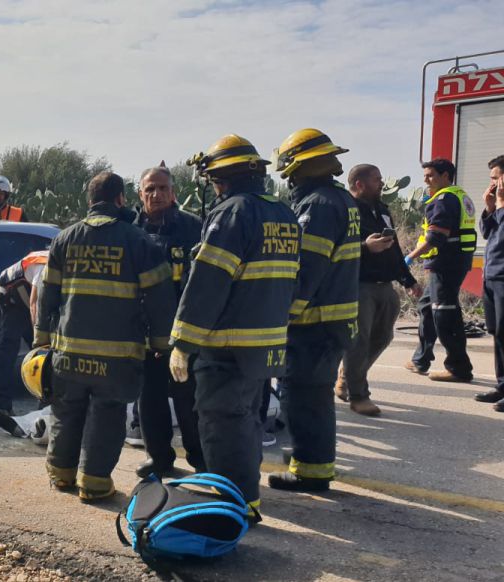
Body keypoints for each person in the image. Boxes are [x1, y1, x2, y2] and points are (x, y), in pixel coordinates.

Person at [170, 135, 298, 519]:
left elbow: (208, 281)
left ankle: (234, 505)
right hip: (266, 342)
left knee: (222, 423)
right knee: (247, 419)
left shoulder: (233, 213)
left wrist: (183, 342)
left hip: (228, 345)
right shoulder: (284, 213)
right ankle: (247, 497)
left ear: (219, 180)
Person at [34, 171, 176, 502]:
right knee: (107, 416)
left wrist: (42, 340)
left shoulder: (65, 239)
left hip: (68, 352)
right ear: (121, 200)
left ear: (90, 201)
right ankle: (95, 484)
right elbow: (159, 299)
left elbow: (46, 293)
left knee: (66, 411)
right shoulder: (139, 241)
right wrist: (160, 343)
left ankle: (61, 474)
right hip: (116, 356)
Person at [266, 129, 360, 493]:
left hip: (314, 323)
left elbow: (305, 269)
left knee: (303, 396)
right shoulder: (340, 200)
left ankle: (311, 471)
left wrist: (284, 314)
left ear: (298, 165)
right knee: (315, 395)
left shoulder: (317, 205)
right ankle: (315, 465)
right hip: (333, 320)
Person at [133, 164, 205, 478]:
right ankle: (159, 459)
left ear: (174, 193)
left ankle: (201, 459)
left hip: (183, 333)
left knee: (190, 400)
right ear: (140, 194)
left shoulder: (193, 227)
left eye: (163, 188)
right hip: (144, 332)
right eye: (150, 189)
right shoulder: (130, 231)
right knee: (150, 401)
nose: (157, 195)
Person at [336, 164, 422, 417]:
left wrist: (408, 280)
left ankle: (347, 377)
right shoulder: (345, 209)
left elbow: (394, 249)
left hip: (385, 286)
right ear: (360, 184)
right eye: (376, 180)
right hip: (359, 286)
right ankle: (359, 395)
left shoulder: (382, 210)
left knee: (383, 337)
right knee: (358, 342)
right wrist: (365, 247)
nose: (382, 183)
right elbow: (338, 246)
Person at [404, 158, 476, 382]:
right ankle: (420, 359)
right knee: (427, 307)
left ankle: (458, 367)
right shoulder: (458, 195)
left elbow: (436, 237)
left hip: (446, 263)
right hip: (453, 261)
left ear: (446, 176)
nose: (426, 179)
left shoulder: (444, 200)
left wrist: (410, 257)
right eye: (425, 175)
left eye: (431, 175)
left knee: (444, 313)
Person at [0, 249, 48, 420]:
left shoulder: (66, 265)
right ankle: (3, 407)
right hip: (10, 303)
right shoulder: (45, 267)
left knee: (45, 358)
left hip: (27, 297)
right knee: (8, 356)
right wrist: (40, 337)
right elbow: (34, 304)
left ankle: (45, 406)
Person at [476, 155, 504, 412]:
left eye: (496, 179)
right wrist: (489, 209)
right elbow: (488, 234)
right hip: (492, 277)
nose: (493, 186)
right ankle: (502, 385)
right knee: (497, 334)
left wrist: (502, 206)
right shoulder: (498, 206)